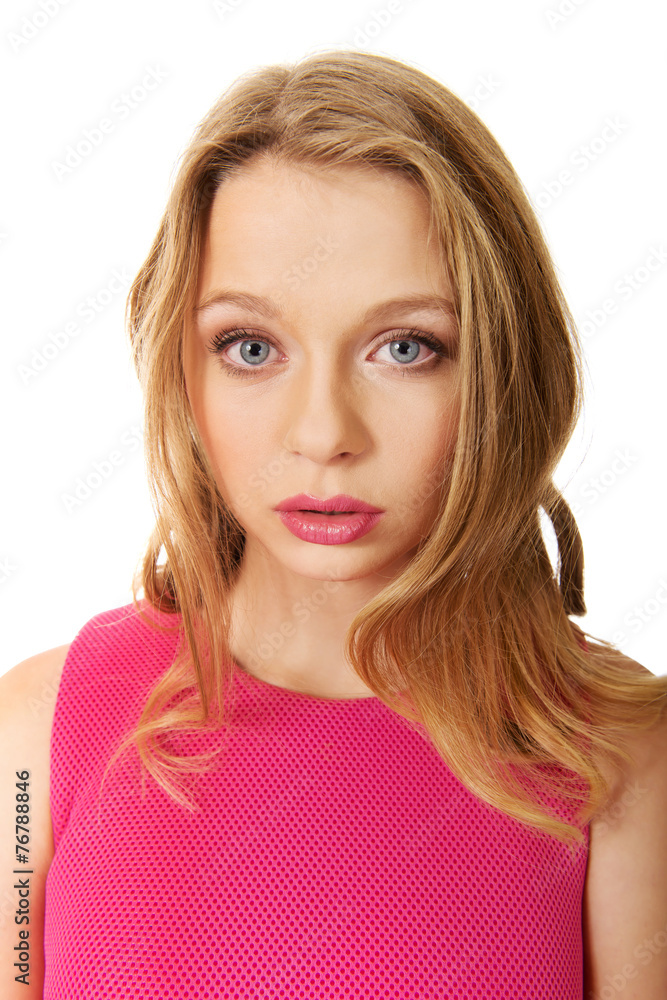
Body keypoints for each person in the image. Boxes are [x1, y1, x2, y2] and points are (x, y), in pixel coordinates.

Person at [2, 49, 666, 1000]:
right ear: (182, 365)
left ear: (498, 366)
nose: (322, 434)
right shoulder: (33, 738)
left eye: (405, 348)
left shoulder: (619, 757)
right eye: (250, 347)